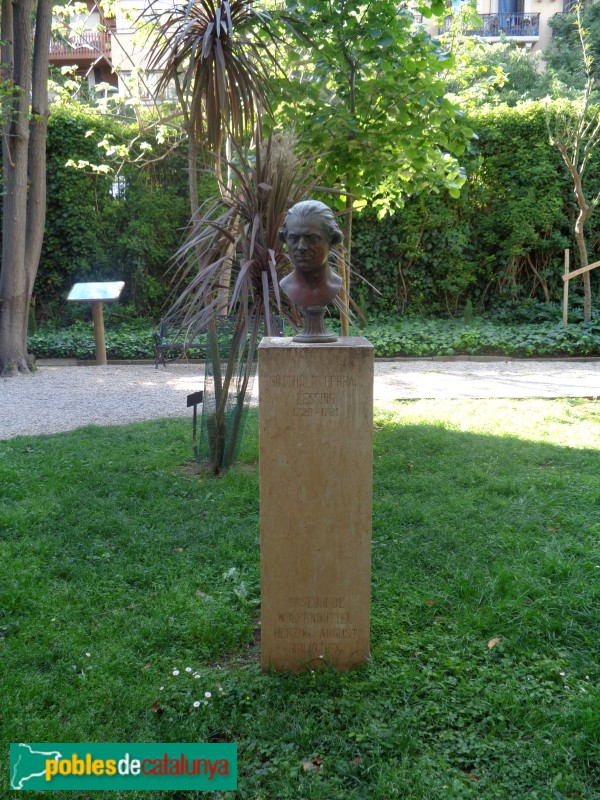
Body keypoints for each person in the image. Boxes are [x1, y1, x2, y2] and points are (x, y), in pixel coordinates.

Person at [278, 200, 343, 309]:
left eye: (311, 238)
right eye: (294, 238)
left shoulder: (336, 285)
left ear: (330, 241)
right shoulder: (285, 286)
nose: (301, 247)